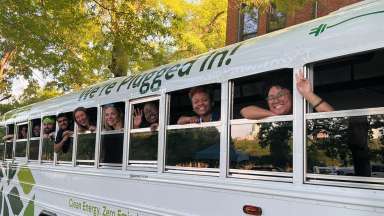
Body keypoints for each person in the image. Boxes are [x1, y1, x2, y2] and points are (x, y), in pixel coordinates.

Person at [241, 71, 334, 119]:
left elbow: (331, 115)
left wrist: (307, 94)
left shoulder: (305, 114)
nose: (276, 100)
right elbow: (245, 111)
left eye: (280, 94)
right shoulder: (268, 115)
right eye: (270, 97)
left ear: (292, 95)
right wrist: (273, 115)